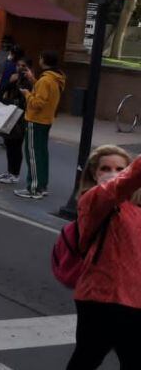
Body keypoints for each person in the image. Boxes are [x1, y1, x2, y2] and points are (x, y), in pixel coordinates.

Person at [67, 147, 141, 370]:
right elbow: (121, 185)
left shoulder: (135, 210)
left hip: (134, 302)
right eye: (105, 169)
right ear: (93, 174)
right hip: (101, 300)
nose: (114, 173)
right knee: (86, 359)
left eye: (120, 168)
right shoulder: (93, 201)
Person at [15, 50, 66, 200]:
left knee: (33, 154)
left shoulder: (45, 80)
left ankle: (34, 188)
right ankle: (41, 185)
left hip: (36, 120)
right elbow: (45, 94)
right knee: (41, 154)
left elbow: (38, 102)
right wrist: (33, 81)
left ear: (43, 60)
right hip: (46, 120)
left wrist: (27, 94)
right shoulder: (55, 78)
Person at [0, 54, 31, 185]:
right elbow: (2, 91)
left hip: (21, 117)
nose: (20, 68)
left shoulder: (29, 82)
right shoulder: (15, 78)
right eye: (18, 65)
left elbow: (23, 100)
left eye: (23, 66)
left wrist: (9, 100)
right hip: (11, 113)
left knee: (16, 145)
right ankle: (9, 171)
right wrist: (11, 81)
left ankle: (15, 174)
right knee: (8, 143)